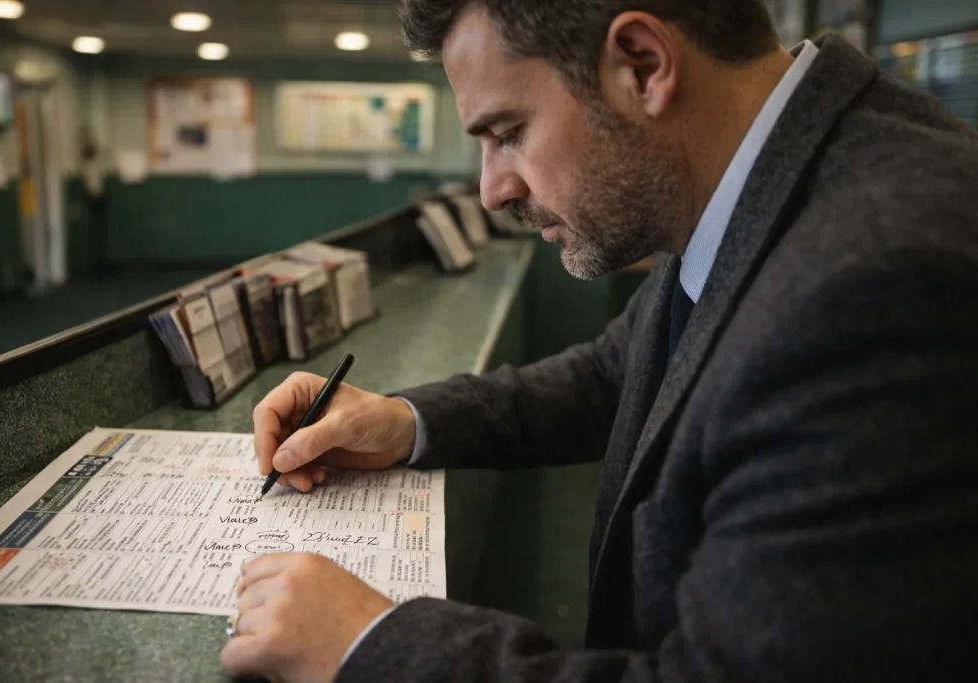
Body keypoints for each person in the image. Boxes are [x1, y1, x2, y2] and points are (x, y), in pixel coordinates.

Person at [220, 1, 978, 681]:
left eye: (508, 134)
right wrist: (406, 420)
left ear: (642, 65)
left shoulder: (881, 279)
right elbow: (623, 372)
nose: (493, 190)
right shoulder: (746, 172)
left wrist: (370, 644)